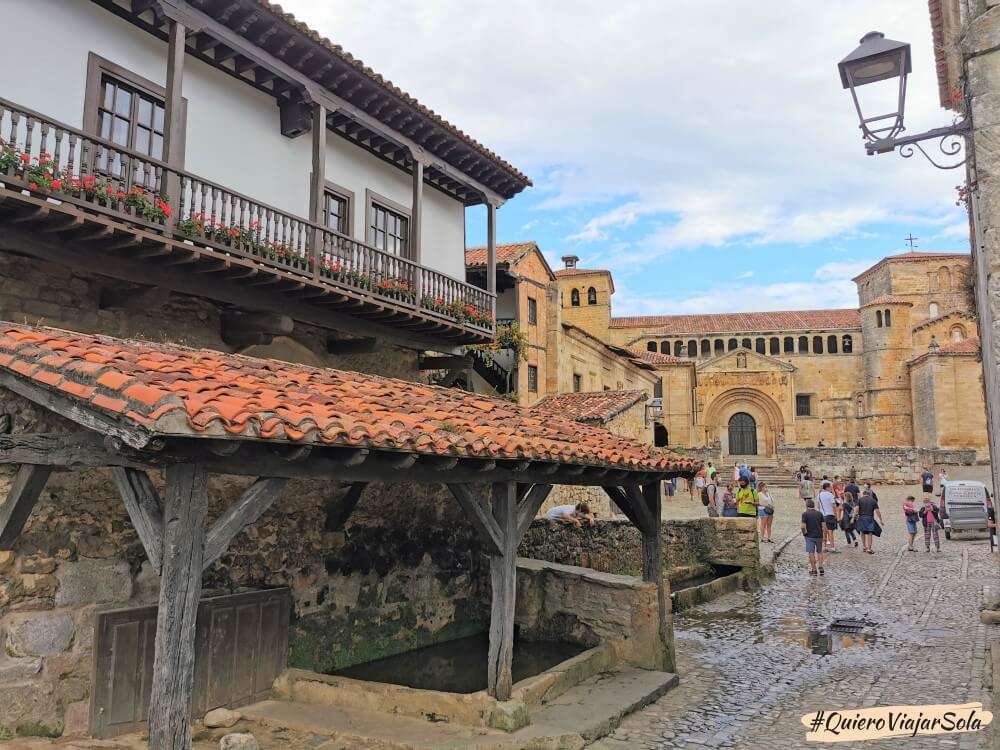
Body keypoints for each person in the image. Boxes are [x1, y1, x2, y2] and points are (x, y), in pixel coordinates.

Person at [802, 498, 826, 576]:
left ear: (807, 505)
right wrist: (825, 536)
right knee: (819, 552)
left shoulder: (805, 514)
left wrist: (804, 534)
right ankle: (821, 566)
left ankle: (814, 570)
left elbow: (803, 526)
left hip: (809, 536)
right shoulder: (819, 514)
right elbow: (824, 526)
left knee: (811, 552)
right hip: (819, 535)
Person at [856, 489, 884, 554]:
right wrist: (880, 520)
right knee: (870, 533)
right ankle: (869, 548)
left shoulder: (860, 500)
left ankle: (864, 546)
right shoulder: (873, 501)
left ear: (863, 494)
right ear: (869, 494)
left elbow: (857, 508)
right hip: (870, 518)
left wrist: (854, 516)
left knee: (862, 532)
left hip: (862, 517)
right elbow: (877, 511)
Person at [817, 481, 839, 553]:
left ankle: (825, 546)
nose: (831, 488)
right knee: (830, 532)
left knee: (824, 532)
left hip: (822, 515)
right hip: (830, 514)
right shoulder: (830, 495)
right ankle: (832, 547)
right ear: (827, 487)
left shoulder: (819, 495)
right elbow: (834, 506)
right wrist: (836, 515)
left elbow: (818, 506)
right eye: (830, 487)